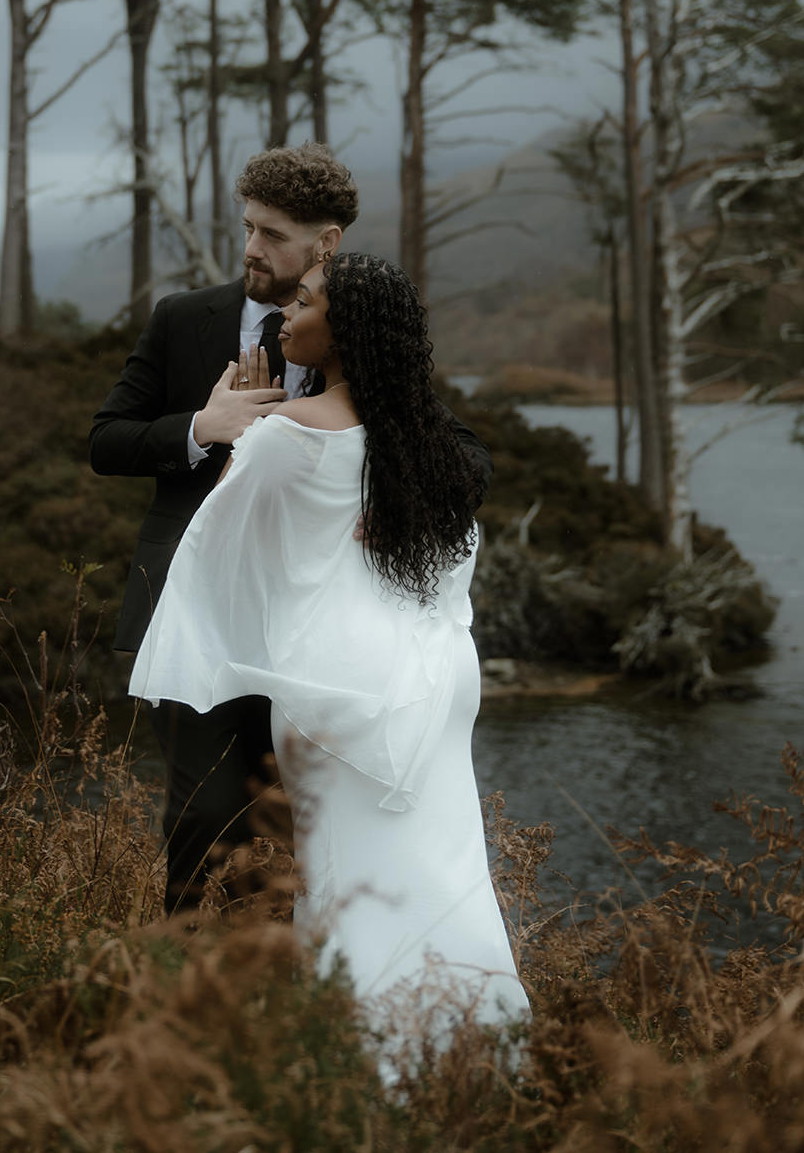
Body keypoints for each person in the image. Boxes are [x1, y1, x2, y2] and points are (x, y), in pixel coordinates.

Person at [128, 252, 529, 1047]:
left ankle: (364, 1054)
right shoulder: (420, 442)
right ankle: (481, 1038)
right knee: (442, 867)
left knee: (346, 874)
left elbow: (217, 550)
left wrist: (230, 421)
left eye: (303, 303)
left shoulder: (281, 434)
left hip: (335, 681)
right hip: (433, 674)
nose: (285, 318)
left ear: (340, 332)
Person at [89, 144, 490, 912]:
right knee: (205, 813)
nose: (251, 249)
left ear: (325, 244)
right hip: (198, 614)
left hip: (313, 632)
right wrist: (203, 427)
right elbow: (106, 440)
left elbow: (464, 453)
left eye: (272, 234)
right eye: (248, 227)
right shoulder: (183, 321)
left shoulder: (353, 330)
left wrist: (408, 498)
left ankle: (288, 998)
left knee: (299, 819)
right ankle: (186, 984)